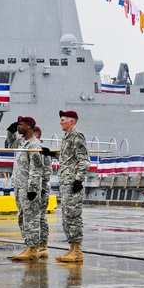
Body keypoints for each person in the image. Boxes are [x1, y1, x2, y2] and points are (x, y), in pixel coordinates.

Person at [10, 116, 47, 261]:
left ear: (30, 127)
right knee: (22, 217)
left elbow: (36, 168)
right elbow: (10, 144)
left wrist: (32, 188)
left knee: (31, 218)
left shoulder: (34, 146)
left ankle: (33, 249)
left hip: (28, 188)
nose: (19, 126)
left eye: (21, 124)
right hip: (19, 186)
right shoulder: (22, 143)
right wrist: (10, 131)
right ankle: (28, 246)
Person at [56, 110, 90, 263]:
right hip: (65, 182)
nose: (60, 122)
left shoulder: (77, 136)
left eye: (63, 120)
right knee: (66, 216)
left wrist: (78, 180)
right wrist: (51, 154)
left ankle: (77, 250)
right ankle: (72, 247)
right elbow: (67, 157)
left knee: (73, 216)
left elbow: (84, 160)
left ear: (72, 121)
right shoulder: (66, 138)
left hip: (72, 183)